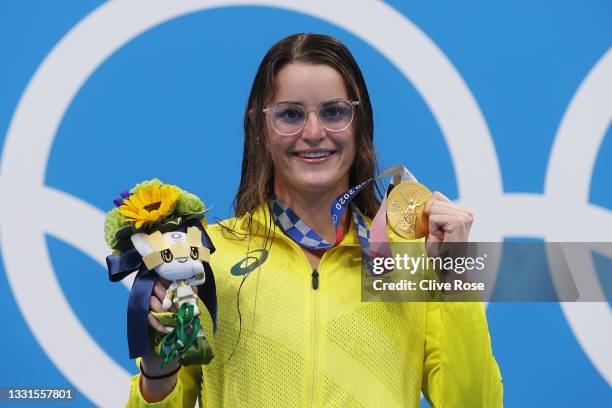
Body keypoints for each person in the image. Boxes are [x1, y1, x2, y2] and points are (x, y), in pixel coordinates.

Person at [127, 33, 503, 407]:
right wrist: (158, 375)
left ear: (360, 124)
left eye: (333, 112)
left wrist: (455, 273)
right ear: (260, 128)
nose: (313, 133)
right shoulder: (206, 257)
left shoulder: (410, 261)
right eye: (290, 114)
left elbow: (475, 403)